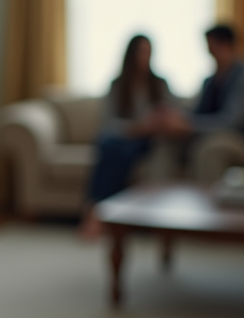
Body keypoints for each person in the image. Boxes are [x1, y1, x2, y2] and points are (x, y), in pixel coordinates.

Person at [79, 34, 186, 238]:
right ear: (131, 54)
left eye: (148, 52)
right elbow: (108, 123)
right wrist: (137, 127)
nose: (144, 57)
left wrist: (161, 119)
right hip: (127, 138)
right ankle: (103, 213)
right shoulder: (118, 85)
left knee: (111, 147)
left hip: (150, 141)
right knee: (112, 145)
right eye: (141, 52)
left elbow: (176, 113)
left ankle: (95, 211)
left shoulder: (160, 84)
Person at [187, 23, 244, 166]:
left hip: (240, 141)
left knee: (213, 147)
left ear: (227, 46)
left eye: (213, 51)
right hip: (209, 135)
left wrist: (190, 126)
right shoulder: (211, 81)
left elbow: (231, 122)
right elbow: (198, 111)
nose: (211, 56)